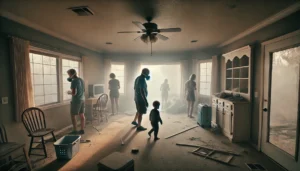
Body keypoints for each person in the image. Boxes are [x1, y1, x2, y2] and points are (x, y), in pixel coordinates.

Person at [67, 69, 86, 134]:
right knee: (82, 115)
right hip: (82, 99)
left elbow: (74, 93)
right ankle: (82, 129)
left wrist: (69, 92)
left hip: (76, 100)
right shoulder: (81, 80)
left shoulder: (74, 81)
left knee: (73, 115)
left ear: (71, 74)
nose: (68, 76)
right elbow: (84, 90)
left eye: (69, 74)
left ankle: (75, 130)